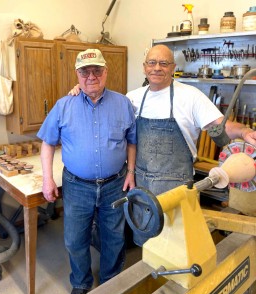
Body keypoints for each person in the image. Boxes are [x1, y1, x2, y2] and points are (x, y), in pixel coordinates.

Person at [69, 44, 256, 245]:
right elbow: (102, 109)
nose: (157, 67)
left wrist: (245, 131)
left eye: (163, 63)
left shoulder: (191, 96)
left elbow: (220, 125)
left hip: (177, 187)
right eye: (152, 62)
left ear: (173, 67)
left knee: (177, 244)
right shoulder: (132, 98)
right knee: (148, 243)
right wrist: (83, 91)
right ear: (144, 67)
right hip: (141, 186)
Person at [37, 48, 137, 294]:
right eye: (85, 71)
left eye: (97, 70)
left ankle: (110, 280)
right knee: (74, 238)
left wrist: (131, 173)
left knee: (114, 236)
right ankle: (81, 282)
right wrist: (47, 179)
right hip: (76, 186)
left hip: (115, 183)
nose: (91, 76)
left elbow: (131, 141)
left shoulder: (123, 103)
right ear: (77, 75)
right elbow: (47, 143)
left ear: (106, 72)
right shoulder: (64, 105)